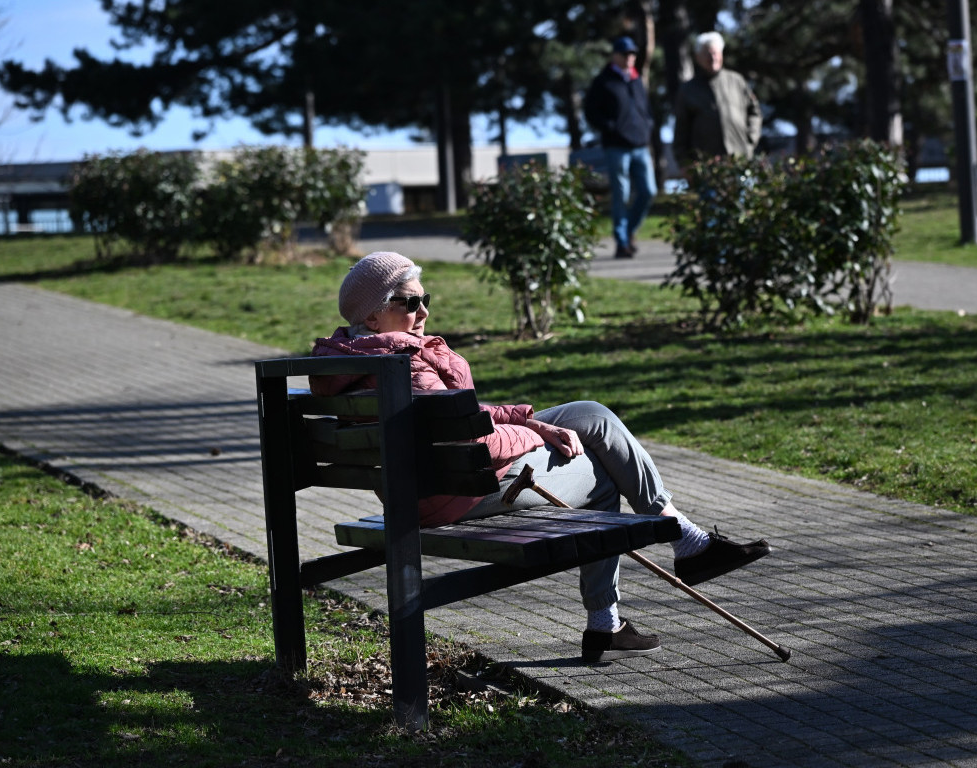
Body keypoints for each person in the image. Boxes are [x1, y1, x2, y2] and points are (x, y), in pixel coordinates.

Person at [309, 251, 772, 663]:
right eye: (409, 303)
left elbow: (460, 417)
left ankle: (682, 542)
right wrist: (530, 437)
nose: (424, 311)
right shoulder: (404, 364)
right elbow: (471, 443)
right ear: (373, 319)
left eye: (423, 297)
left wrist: (532, 420)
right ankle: (625, 601)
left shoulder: (358, 361)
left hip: (429, 487)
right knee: (604, 479)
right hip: (458, 492)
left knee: (589, 415)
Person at [583, 35, 657, 260]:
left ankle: (629, 231)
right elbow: (590, 111)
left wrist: (648, 125)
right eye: (625, 54)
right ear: (615, 55)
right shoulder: (603, 81)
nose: (630, 58)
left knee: (648, 191)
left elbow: (645, 109)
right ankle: (622, 242)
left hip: (640, 145)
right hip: (616, 147)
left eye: (632, 54)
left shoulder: (636, 80)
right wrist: (609, 127)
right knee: (621, 194)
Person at [672, 31, 762, 165]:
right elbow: (681, 130)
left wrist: (750, 140)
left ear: (721, 54)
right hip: (706, 164)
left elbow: (754, 112)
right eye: (707, 53)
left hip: (740, 159)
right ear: (698, 57)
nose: (712, 57)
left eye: (715, 53)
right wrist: (684, 163)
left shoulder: (736, 81)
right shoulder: (689, 89)